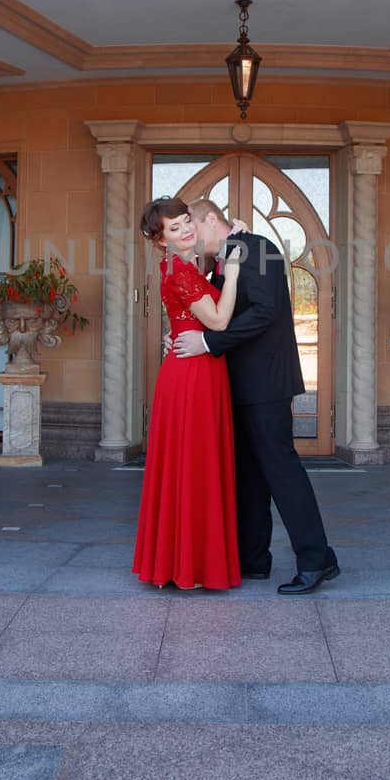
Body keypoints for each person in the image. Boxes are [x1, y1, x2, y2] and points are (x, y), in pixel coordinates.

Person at [172, 198, 340, 595]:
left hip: (266, 384)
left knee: (282, 472)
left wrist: (209, 342)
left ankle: (318, 559)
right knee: (247, 474)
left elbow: (265, 311)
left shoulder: (257, 248)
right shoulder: (226, 258)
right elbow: (213, 311)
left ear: (211, 219)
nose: (193, 242)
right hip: (237, 385)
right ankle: (254, 560)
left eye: (194, 230)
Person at [131, 197, 243, 591]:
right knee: (195, 462)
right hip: (193, 373)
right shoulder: (179, 270)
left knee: (190, 462)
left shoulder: (181, 266)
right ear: (161, 240)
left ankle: (183, 562)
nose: (185, 230)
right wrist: (231, 272)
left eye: (185, 222)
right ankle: (190, 566)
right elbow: (218, 319)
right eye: (174, 228)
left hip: (191, 366)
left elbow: (189, 314)